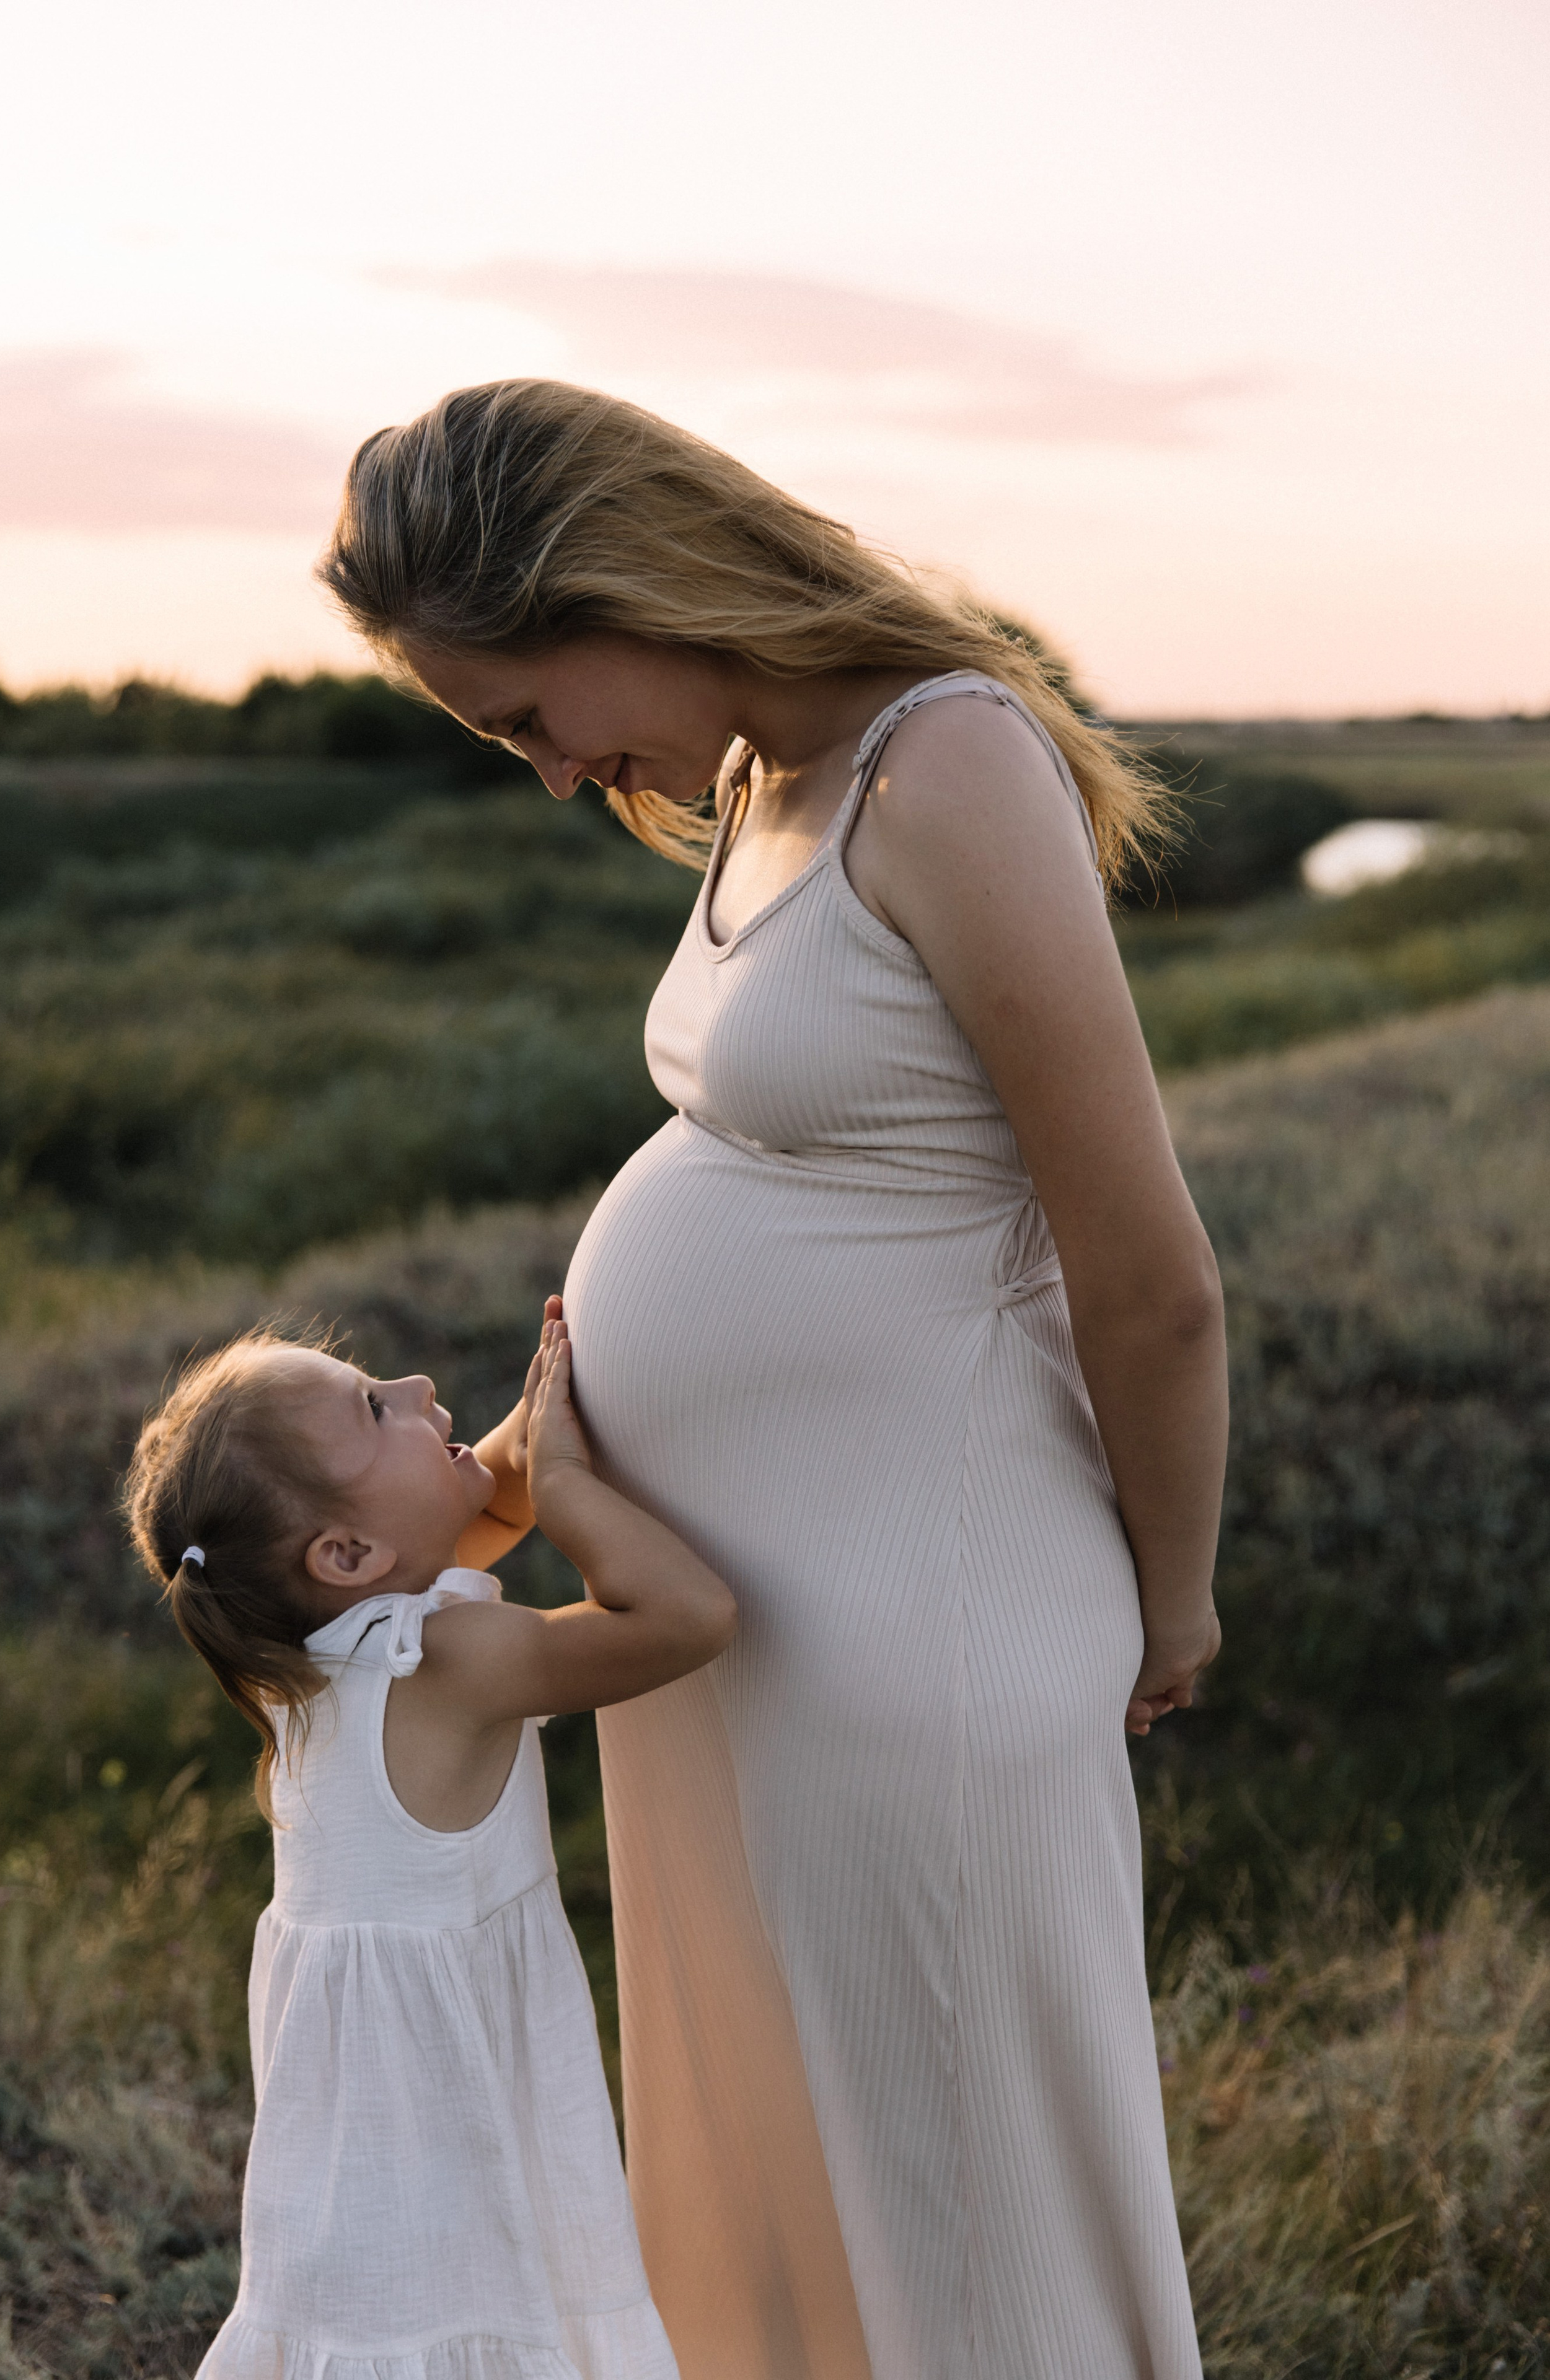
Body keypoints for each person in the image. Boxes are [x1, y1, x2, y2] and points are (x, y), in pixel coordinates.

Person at [318, 379, 1227, 2380]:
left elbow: (1146, 1275)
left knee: (972, 2200)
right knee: (807, 2181)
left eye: (522, 716)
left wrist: (1173, 1596)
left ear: (620, 587)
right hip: (750, 1647)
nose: (551, 776)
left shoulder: (945, 766)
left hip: (928, 1623)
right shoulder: (764, 782)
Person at [123, 1303, 733, 2380]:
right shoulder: (453, 1662)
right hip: (449, 2158)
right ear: (347, 1550)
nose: (411, 1385)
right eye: (373, 1406)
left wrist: (534, 1422)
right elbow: (689, 1615)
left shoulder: (309, 1661)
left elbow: (467, 1512)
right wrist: (574, 1488)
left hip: (359, 2180)